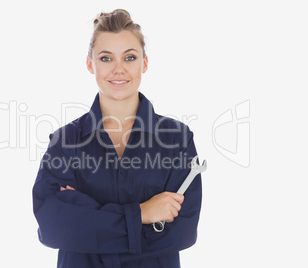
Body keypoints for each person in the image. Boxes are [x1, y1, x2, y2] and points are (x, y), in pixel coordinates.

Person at [32, 9, 202, 268]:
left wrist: (88, 219)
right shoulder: (64, 142)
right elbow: (53, 226)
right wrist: (142, 214)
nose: (119, 69)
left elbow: (182, 233)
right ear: (91, 64)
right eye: (106, 58)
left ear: (144, 63)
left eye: (130, 57)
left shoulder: (177, 140)